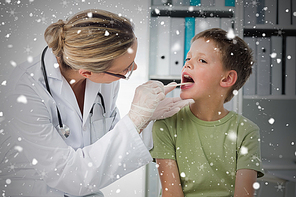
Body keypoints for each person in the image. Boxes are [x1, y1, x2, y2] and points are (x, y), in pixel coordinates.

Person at [0, 9, 193, 197]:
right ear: (87, 72)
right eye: (126, 69)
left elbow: (107, 144)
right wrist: (135, 118)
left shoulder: (105, 81)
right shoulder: (24, 91)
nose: (135, 67)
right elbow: (72, 177)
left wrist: (147, 120)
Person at [150, 28, 264, 197]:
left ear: (226, 79)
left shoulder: (247, 131)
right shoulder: (165, 124)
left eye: (202, 60)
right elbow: (172, 193)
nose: (187, 64)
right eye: (188, 58)